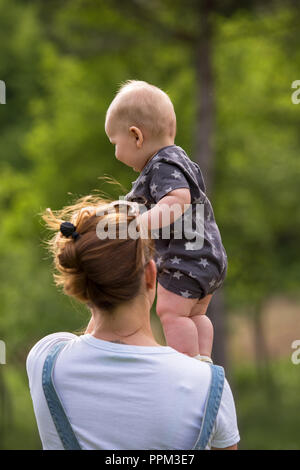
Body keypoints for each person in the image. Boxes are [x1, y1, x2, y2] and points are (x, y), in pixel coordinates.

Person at [26, 195, 240, 450]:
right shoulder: (207, 385)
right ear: (151, 275)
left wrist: (101, 231)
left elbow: (92, 336)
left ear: (83, 282)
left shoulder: (45, 360)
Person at [105, 80, 227, 362]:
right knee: (194, 315)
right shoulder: (178, 160)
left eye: (115, 143)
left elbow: (177, 200)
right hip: (207, 260)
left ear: (136, 136)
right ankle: (203, 360)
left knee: (169, 313)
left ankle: (184, 365)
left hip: (186, 259)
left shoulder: (162, 165)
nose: (115, 152)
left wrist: (138, 226)